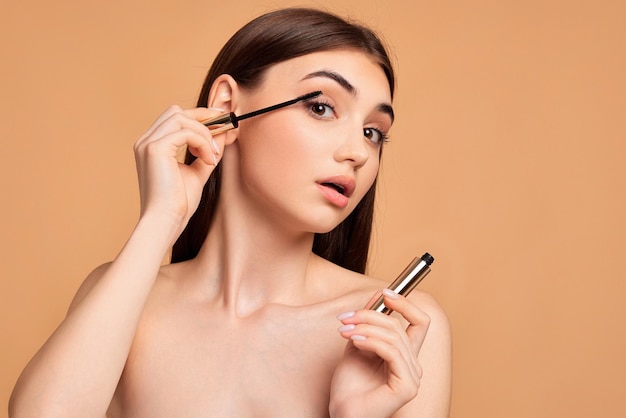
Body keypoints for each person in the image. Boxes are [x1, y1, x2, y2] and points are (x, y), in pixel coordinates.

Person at [9, 7, 451, 418]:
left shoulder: (396, 329)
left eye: (373, 132)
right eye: (321, 107)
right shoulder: (124, 298)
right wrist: (161, 219)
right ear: (226, 107)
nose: (357, 152)